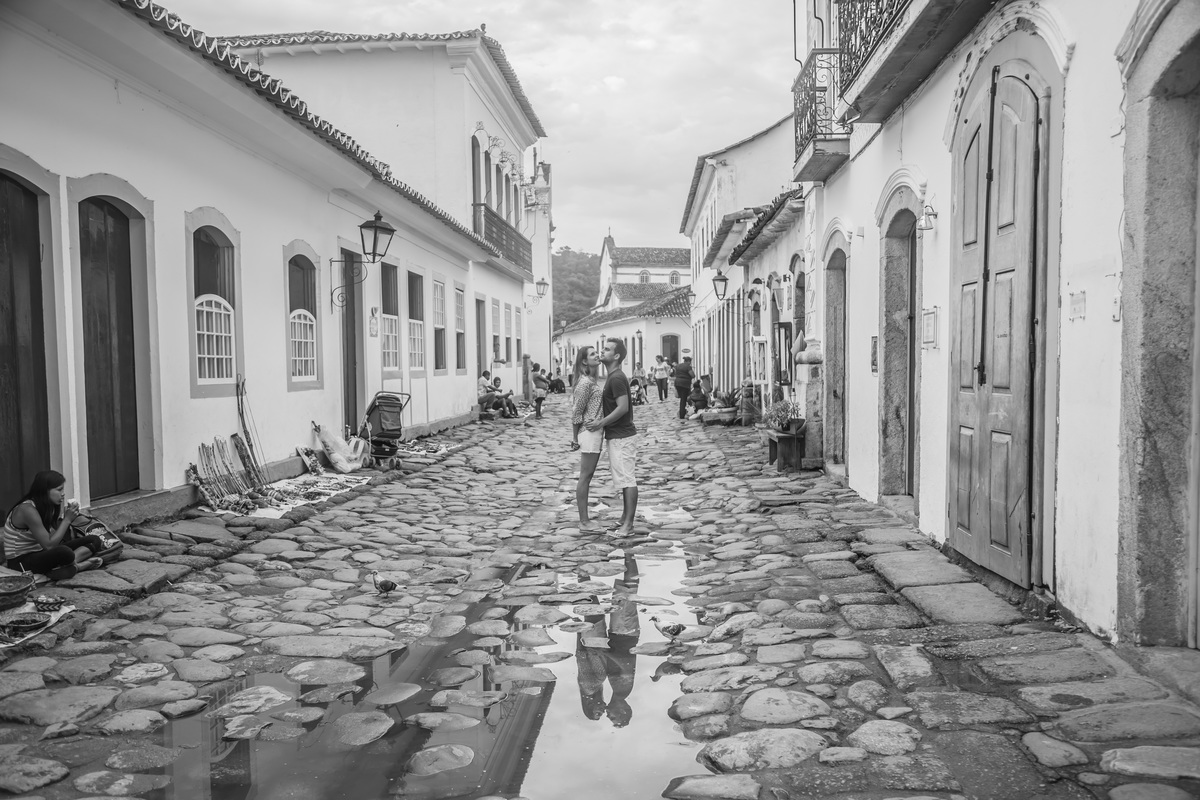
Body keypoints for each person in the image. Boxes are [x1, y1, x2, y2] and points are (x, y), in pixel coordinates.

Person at [4, 470, 104, 579]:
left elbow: (53, 540)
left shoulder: (46, 506)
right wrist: (67, 520)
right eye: (59, 489)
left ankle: (69, 565)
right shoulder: (27, 510)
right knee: (64, 552)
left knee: (94, 540)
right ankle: (76, 566)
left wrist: (66, 520)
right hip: (20, 562)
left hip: (40, 553)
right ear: (45, 490)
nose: (63, 493)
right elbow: (49, 546)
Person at [587, 337, 638, 535]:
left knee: (627, 479)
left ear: (616, 356)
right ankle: (625, 518)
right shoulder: (613, 376)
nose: (602, 351)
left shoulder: (616, 378)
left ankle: (628, 525)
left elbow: (622, 407)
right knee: (623, 479)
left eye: (607, 349)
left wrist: (601, 423)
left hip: (622, 436)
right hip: (618, 435)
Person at [570, 346, 604, 531]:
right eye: (592, 354)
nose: (597, 355)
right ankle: (584, 521)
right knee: (585, 476)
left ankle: (584, 519)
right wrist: (575, 439)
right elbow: (576, 412)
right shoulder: (585, 383)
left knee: (587, 476)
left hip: (594, 431)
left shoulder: (590, 381)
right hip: (589, 432)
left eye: (596, 352)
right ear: (584, 361)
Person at [673, 355, 696, 420]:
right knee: (683, 399)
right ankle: (682, 414)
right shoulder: (688, 367)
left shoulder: (678, 366)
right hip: (684, 384)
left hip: (677, 383)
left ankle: (682, 412)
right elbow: (692, 375)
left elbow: (676, 373)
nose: (690, 363)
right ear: (688, 361)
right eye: (690, 362)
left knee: (682, 398)